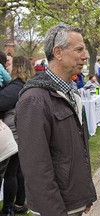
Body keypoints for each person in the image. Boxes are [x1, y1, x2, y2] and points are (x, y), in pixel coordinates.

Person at [15, 24, 97, 216]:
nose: (85, 56)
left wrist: (84, 195)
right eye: (79, 49)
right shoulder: (34, 99)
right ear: (58, 52)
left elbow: (79, 150)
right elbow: (36, 169)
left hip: (72, 202)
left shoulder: (70, 91)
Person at [0, 56, 35, 215]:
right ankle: (20, 203)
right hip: (23, 131)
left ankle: (8, 208)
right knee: (19, 171)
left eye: (10, 64)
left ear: (17, 68)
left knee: (11, 173)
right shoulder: (28, 85)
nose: (7, 67)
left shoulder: (15, 88)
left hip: (14, 133)